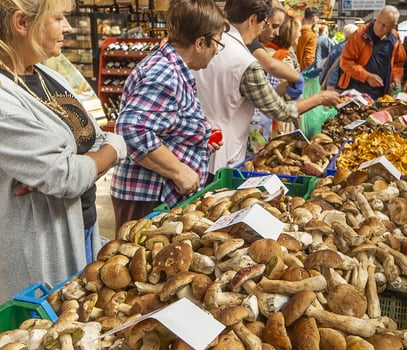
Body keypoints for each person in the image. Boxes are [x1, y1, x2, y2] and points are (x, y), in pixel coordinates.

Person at [0, 0, 124, 300]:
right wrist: (112, 151)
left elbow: (96, 138)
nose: (67, 27)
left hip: (82, 227)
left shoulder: (46, 75)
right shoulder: (5, 100)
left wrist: (77, 163)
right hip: (42, 250)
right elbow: (66, 177)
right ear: (22, 23)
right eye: (59, 18)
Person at [111, 0, 227, 227]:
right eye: (216, 44)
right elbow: (132, 129)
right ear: (200, 42)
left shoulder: (172, 67)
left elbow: (164, 122)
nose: (216, 51)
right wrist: (179, 171)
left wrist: (200, 135)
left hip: (154, 196)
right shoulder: (165, 72)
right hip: (149, 198)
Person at [193, 0, 340, 172]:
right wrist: (320, 97)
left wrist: (284, 87)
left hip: (195, 146)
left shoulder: (208, 42)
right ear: (252, 19)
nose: (264, 30)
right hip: (223, 154)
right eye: (265, 24)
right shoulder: (246, 62)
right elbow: (280, 111)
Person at [338, 6, 405, 99]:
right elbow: (345, 62)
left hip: (382, 94)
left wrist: (396, 77)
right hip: (356, 91)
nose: (379, 27)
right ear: (375, 18)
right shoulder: (359, 35)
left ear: (394, 26)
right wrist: (367, 76)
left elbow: (398, 63)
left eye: (385, 25)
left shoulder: (395, 38)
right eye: (378, 21)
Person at [320, 23, 358, 90]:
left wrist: (322, 80)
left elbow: (328, 65)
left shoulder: (338, 47)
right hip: (348, 84)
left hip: (333, 83)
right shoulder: (357, 48)